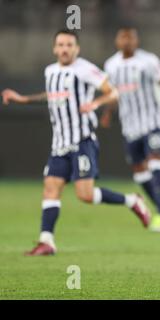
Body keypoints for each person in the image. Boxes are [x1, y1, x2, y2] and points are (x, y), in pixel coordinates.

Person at [1, 29, 151, 256]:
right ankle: (46, 241)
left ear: (77, 49)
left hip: (82, 141)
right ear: (54, 48)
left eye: (69, 45)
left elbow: (113, 93)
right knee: (51, 189)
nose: (64, 49)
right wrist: (24, 99)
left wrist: (95, 103)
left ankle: (132, 201)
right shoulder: (50, 71)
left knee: (85, 195)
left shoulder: (85, 69)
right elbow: (51, 94)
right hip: (59, 144)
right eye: (60, 45)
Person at [102, 27, 160, 232]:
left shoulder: (148, 61)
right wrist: (108, 111)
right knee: (139, 173)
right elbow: (113, 93)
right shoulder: (111, 65)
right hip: (130, 126)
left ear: (137, 40)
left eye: (131, 37)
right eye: (123, 37)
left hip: (152, 122)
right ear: (117, 41)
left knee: (156, 163)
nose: (127, 41)